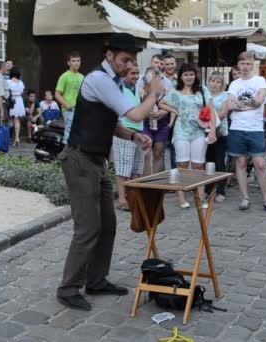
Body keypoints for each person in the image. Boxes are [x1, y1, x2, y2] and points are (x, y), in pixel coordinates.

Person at [56, 33, 161, 311]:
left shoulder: (111, 81)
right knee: (88, 228)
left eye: (132, 61)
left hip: (97, 161)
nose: (128, 66)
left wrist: (131, 136)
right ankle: (68, 288)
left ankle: (96, 280)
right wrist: (153, 92)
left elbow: (107, 121)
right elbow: (138, 115)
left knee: (108, 225)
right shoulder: (99, 80)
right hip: (80, 159)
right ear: (109, 55)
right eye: (125, 60)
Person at [226, 51, 266, 213]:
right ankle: (245, 198)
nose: (245, 67)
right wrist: (250, 104)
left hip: (255, 129)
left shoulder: (259, 80)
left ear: (253, 64)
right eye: (243, 64)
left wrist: (243, 104)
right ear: (238, 65)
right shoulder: (234, 84)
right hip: (237, 128)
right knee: (240, 164)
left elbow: (260, 100)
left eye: (248, 64)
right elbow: (231, 105)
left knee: (260, 164)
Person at [160, 63, 216, 209]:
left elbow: (211, 110)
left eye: (191, 74)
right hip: (181, 131)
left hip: (199, 130)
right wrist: (174, 110)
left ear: (195, 75)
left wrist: (212, 131)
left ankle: (200, 197)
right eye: (186, 74)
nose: (189, 77)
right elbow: (161, 103)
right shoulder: (175, 91)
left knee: (198, 165)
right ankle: (181, 197)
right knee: (182, 164)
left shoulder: (202, 90)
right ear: (181, 77)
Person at [113, 63, 144, 211]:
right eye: (133, 73)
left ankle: (133, 198)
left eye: (137, 73)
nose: (136, 76)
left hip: (138, 130)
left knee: (136, 169)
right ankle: (121, 199)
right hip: (123, 131)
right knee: (123, 168)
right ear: (125, 73)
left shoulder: (137, 88)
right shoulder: (119, 88)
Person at [137, 57, 173, 176]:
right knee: (146, 151)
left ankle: (158, 183)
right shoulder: (141, 85)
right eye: (150, 76)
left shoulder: (167, 85)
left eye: (155, 76)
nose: (153, 78)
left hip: (162, 123)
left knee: (159, 152)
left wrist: (164, 112)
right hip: (145, 122)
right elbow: (136, 105)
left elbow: (173, 105)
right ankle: (146, 183)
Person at [204, 71, 230, 203]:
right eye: (213, 81)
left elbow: (224, 112)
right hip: (206, 131)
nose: (215, 84)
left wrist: (211, 122)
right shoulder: (205, 94)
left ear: (222, 84)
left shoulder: (225, 96)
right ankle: (208, 189)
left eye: (218, 81)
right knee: (208, 161)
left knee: (220, 161)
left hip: (220, 132)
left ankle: (221, 190)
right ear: (209, 81)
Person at [55, 51, 84, 144]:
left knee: (78, 133)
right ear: (69, 63)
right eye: (73, 61)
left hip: (80, 109)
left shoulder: (82, 77)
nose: (76, 63)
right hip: (69, 109)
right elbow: (57, 94)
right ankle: (64, 156)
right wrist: (67, 105)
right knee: (69, 132)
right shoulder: (64, 76)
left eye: (78, 61)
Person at [7, 67, 25, 147]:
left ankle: (9, 138)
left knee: (9, 119)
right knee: (17, 120)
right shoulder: (21, 82)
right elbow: (22, 91)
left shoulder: (8, 82)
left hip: (12, 100)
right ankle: (17, 138)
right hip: (19, 100)